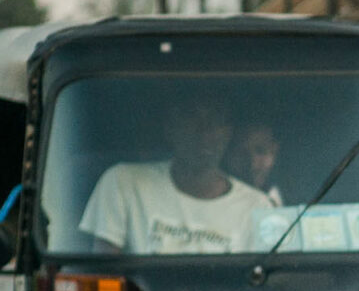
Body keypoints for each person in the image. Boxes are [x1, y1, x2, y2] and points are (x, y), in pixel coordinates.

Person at [80, 96, 272, 255]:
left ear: (228, 132)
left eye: (216, 121)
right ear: (170, 127)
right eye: (191, 118)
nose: (205, 132)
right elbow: (105, 272)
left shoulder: (257, 207)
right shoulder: (123, 182)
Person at [222, 121, 283, 205]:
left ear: (274, 151)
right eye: (242, 153)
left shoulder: (294, 198)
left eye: (260, 151)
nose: (252, 163)